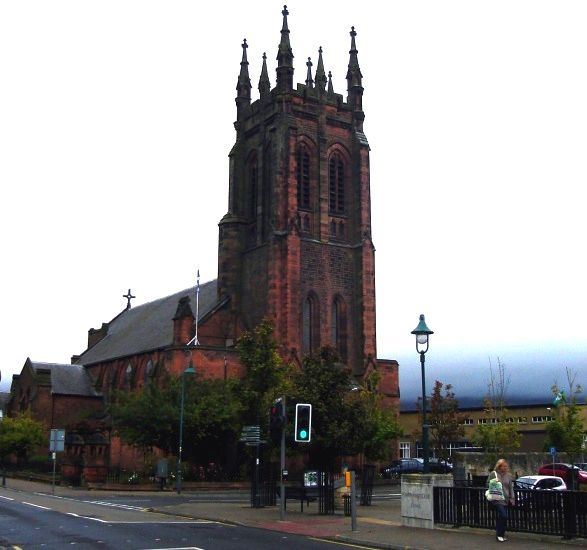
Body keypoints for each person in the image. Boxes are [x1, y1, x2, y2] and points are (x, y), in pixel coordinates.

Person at [488, 458, 515, 542]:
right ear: (499, 467)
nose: (506, 468)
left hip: (506, 499)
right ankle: (499, 534)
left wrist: (512, 498)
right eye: (504, 466)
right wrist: (494, 481)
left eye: (506, 466)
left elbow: (510, 487)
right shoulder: (494, 474)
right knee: (503, 516)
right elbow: (487, 483)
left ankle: (501, 534)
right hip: (497, 499)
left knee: (502, 517)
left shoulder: (508, 475)